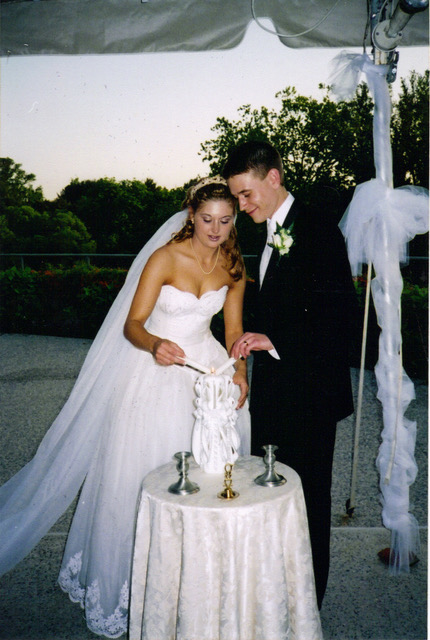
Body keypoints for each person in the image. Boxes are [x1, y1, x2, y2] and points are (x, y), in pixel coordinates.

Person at [0, 176, 250, 638]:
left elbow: (233, 333)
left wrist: (240, 372)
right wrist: (155, 343)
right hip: (154, 375)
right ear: (191, 215)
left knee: (205, 482)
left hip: (208, 376)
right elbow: (132, 324)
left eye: (225, 220)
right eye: (207, 219)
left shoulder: (232, 266)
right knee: (141, 479)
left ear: (234, 221)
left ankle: (191, 584)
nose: (215, 229)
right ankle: (134, 585)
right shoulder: (164, 258)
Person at [224, 141, 356, 609]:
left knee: (308, 504)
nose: (242, 205)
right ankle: (280, 594)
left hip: (311, 399)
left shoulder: (318, 229)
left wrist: (272, 341)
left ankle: (306, 609)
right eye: (238, 197)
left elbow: (338, 318)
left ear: (273, 178)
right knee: (275, 496)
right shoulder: (273, 232)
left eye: (246, 194)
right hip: (279, 394)